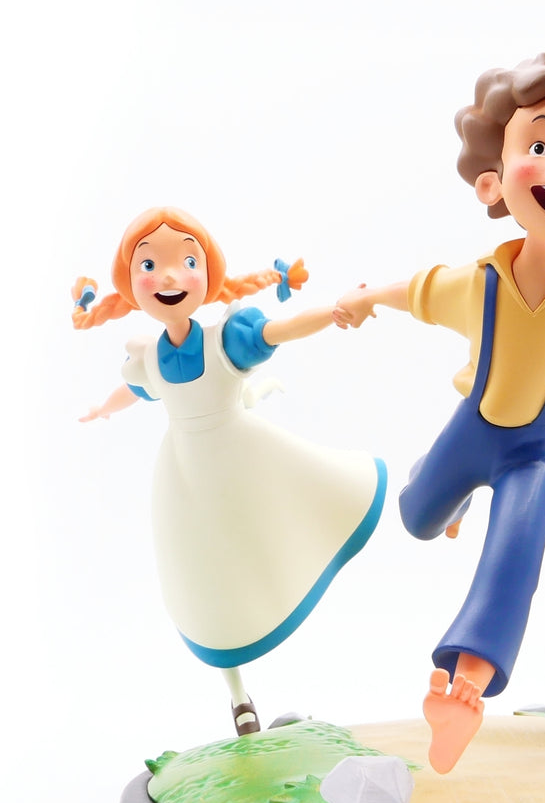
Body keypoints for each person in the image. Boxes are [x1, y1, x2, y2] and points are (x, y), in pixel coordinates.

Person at [333, 54, 545, 772]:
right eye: (541, 144)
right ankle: (448, 494)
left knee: (514, 558)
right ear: (493, 183)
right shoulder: (479, 284)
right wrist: (367, 297)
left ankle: (466, 680)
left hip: (535, 450)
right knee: (417, 517)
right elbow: (418, 290)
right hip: (473, 430)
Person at [75, 207, 386, 735]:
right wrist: (104, 408)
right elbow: (135, 388)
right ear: (129, 283)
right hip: (188, 480)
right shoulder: (148, 356)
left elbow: (280, 330)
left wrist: (332, 311)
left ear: (208, 272)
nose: (168, 277)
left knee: (284, 524)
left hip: (244, 457)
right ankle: (239, 697)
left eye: (186, 262)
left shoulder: (226, 339)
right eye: (149, 265)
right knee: (206, 577)